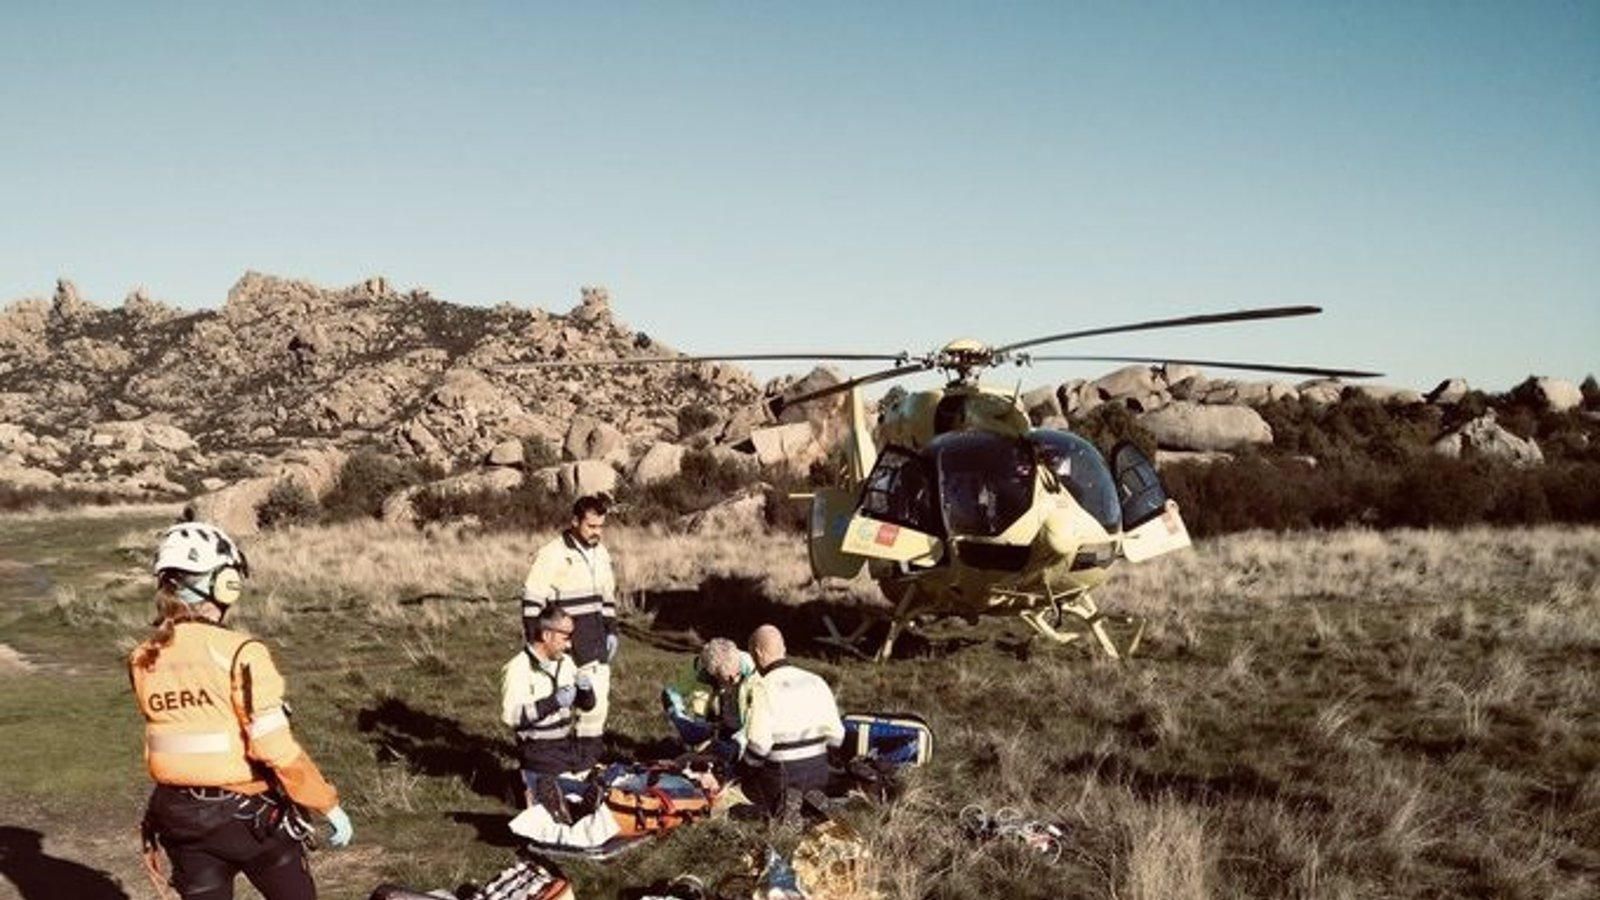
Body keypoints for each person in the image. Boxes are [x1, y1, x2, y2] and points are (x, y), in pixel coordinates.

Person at [130, 521, 352, 900]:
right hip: (246, 816)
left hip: (176, 816)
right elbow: (274, 747)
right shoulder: (240, 652)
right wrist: (325, 804)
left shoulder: (142, 657)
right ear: (223, 583)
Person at [521, 494, 617, 769]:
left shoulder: (601, 553)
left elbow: (606, 597)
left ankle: (585, 768)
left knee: (595, 711)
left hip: (596, 645)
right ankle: (545, 772)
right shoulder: (551, 554)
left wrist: (611, 630)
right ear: (575, 522)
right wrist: (538, 646)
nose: (597, 532)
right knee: (556, 714)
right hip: (562, 648)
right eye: (591, 526)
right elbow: (531, 601)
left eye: (601, 526)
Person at [738, 624, 845, 818]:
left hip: (781, 776)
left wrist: (741, 771)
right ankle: (810, 805)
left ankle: (778, 808)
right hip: (819, 774)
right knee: (808, 788)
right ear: (784, 649)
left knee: (743, 789)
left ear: (758, 653)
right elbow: (837, 737)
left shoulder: (763, 687)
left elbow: (759, 746)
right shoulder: (816, 681)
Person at [501, 609, 596, 824]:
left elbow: (587, 706)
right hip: (537, 751)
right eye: (566, 637)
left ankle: (571, 803)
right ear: (546, 635)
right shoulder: (516, 669)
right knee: (566, 794)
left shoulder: (566, 662)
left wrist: (586, 692)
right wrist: (552, 702)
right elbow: (512, 717)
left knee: (594, 784)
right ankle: (545, 797)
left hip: (567, 747)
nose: (570, 645)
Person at [660, 637, 758, 767]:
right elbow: (670, 693)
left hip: (749, 736)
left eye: (736, 675)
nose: (733, 681)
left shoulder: (757, 671)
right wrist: (681, 720)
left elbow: (758, 722)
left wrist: (735, 745)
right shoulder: (699, 667)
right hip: (715, 727)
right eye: (724, 679)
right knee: (689, 765)